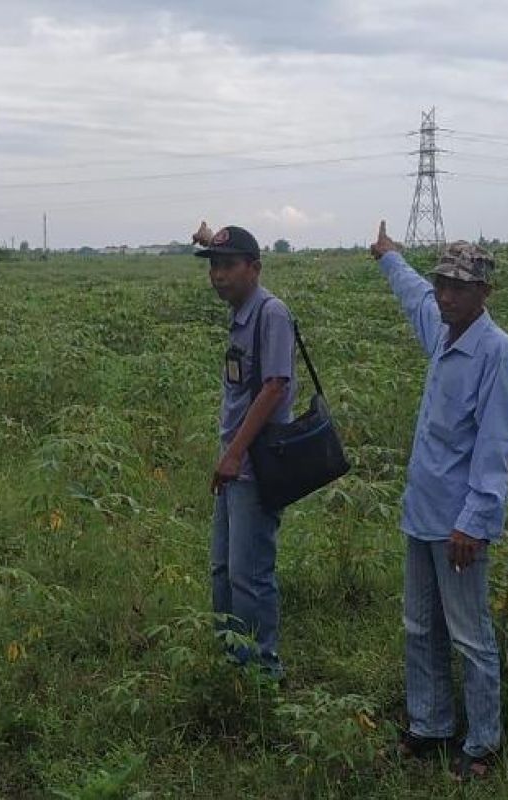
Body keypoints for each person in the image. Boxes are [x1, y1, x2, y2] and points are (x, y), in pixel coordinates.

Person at [369, 221, 508, 781]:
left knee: (469, 634)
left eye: (459, 287)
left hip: (459, 524)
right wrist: (390, 257)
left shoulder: (496, 352)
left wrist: (474, 522)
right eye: (442, 284)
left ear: (484, 292)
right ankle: (429, 727)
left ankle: (482, 744)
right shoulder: (441, 328)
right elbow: (414, 297)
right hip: (421, 513)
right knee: (419, 626)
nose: (446, 295)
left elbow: (495, 445)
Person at [193, 222, 297, 678]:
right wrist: (211, 238)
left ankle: (262, 671)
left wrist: (234, 453)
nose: (219, 275)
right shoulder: (242, 312)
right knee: (223, 570)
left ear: (254, 268)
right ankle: (231, 662)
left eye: (229, 266)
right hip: (235, 465)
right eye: (214, 266)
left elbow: (275, 387)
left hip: (254, 466)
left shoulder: (270, 313)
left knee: (249, 575)